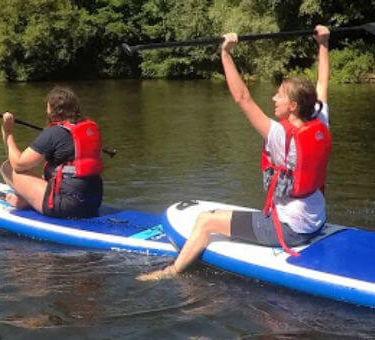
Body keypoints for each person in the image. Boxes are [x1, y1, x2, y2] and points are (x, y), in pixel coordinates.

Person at [139, 26, 332, 281]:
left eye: (280, 96)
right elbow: (322, 83)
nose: (273, 98)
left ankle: (171, 271)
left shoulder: (278, 135)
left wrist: (226, 54)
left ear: (293, 106)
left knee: (206, 221)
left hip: (289, 230)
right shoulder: (319, 120)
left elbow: (243, 98)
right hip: (316, 219)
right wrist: (324, 43)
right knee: (221, 217)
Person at [0, 86, 104, 219]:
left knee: (9, 169)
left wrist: (7, 133)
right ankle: (25, 200)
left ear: (51, 109)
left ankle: (23, 200)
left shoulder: (54, 132)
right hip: (93, 201)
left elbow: (18, 164)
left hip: (67, 206)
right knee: (44, 172)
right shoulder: (90, 127)